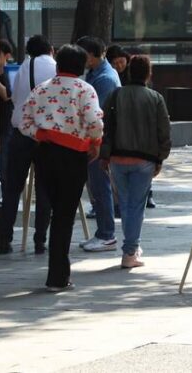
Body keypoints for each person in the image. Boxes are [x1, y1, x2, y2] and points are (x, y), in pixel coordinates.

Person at [19, 44, 104, 292]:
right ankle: (58, 276)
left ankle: (56, 273)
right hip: (73, 155)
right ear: (82, 66)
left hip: (44, 154)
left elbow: (23, 123)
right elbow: (94, 122)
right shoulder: (84, 89)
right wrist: (95, 142)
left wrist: (41, 134)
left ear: (58, 65)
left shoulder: (41, 89)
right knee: (64, 217)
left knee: (55, 208)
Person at [100, 55, 171, 268]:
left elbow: (106, 127)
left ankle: (131, 248)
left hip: (117, 158)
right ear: (149, 74)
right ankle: (130, 251)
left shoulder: (115, 95)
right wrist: (160, 157)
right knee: (136, 205)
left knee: (125, 203)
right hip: (145, 159)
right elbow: (164, 130)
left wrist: (105, 155)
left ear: (129, 72)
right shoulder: (155, 98)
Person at [0, 34, 56, 255]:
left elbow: (14, 96)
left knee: (12, 188)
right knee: (44, 189)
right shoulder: (55, 66)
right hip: (45, 136)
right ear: (50, 49)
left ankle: (5, 238)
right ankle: (40, 240)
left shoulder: (24, 67)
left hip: (21, 133)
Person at [76, 36, 121, 252]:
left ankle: (106, 234)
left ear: (91, 55)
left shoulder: (105, 79)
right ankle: (102, 232)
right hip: (95, 139)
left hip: (98, 141)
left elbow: (97, 115)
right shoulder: (96, 74)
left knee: (100, 187)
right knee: (96, 187)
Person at [0, 39, 14, 199]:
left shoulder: (11, 73)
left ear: (6, 56)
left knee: (4, 166)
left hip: (5, 126)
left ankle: (7, 199)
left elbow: (7, 95)